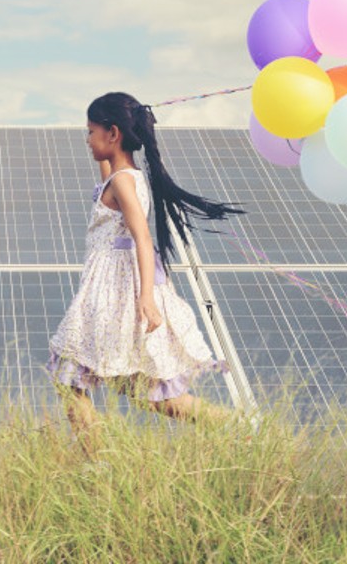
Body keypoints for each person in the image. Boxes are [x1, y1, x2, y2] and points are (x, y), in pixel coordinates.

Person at [45, 91, 246, 459]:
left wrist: (147, 299)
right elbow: (108, 177)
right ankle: (239, 427)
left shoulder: (123, 182)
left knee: (71, 373)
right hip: (112, 291)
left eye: (90, 132)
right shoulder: (122, 176)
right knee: (145, 392)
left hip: (115, 295)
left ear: (113, 133)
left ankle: (97, 463)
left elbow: (141, 235)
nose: (87, 140)